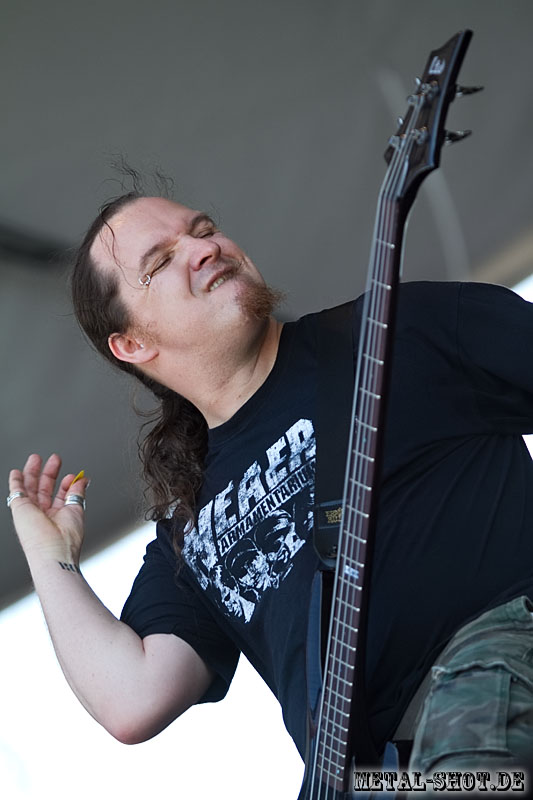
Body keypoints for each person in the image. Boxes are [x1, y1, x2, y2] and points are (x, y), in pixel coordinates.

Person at [8, 191, 533, 791]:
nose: (204, 248)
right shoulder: (191, 523)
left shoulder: (400, 332)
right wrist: (49, 557)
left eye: (204, 229)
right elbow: (132, 700)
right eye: (161, 260)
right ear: (133, 344)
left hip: (497, 671)